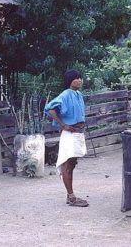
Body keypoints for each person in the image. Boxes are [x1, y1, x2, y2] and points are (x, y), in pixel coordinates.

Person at [45, 69, 89, 207]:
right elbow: (50, 108)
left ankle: (70, 195)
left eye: (80, 78)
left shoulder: (78, 94)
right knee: (67, 164)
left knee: (72, 163)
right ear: (70, 81)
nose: (80, 80)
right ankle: (71, 197)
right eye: (76, 78)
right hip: (70, 133)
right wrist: (62, 124)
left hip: (78, 133)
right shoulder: (65, 94)